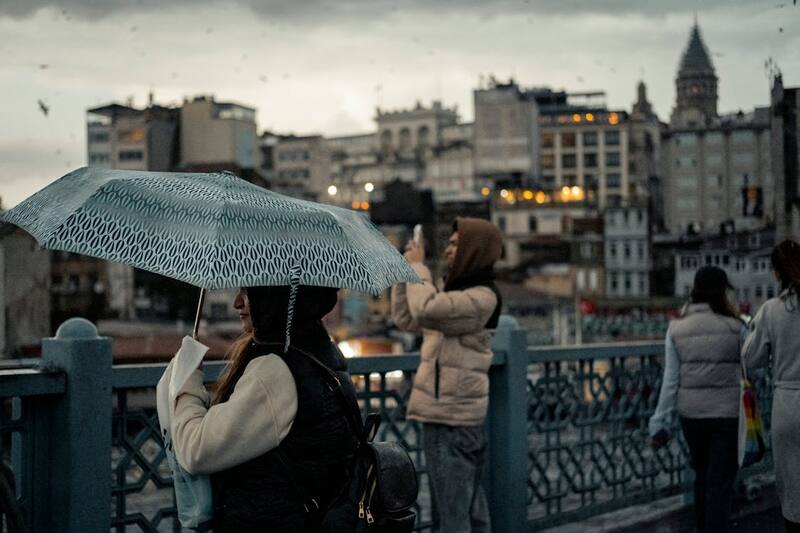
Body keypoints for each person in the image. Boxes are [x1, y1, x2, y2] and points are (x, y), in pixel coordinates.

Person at [171, 285, 359, 532]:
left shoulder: (274, 370)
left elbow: (196, 450)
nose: (237, 303)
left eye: (248, 292)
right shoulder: (322, 350)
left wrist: (186, 384)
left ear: (274, 296)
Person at [392, 217, 502, 533]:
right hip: (447, 416)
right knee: (468, 512)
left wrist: (418, 268)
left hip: (451, 419)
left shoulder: (483, 297)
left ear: (474, 249)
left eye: (456, 244)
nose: (449, 250)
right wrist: (405, 271)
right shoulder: (453, 292)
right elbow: (407, 318)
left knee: (453, 517)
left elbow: (426, 309)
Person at [648, 266, 746, 533]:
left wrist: (659, 421)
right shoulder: (737, 327)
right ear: (723, 292)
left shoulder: (676, 328)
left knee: (702, 476)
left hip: (691, 416)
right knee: (720, 483)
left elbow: (670, 380)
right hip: (727, 415)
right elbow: (752, 368)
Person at [743, 239, 800, 532]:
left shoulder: (772, 310)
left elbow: (750, 359)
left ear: (777, 273)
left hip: (788, 405)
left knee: (792, 488)